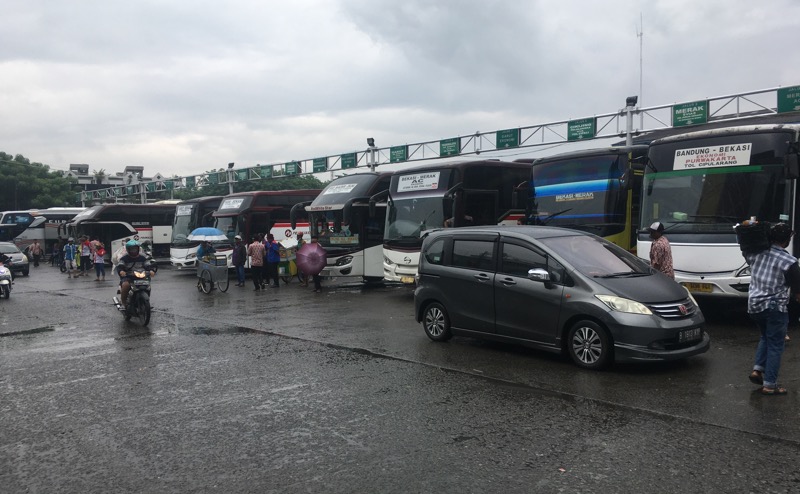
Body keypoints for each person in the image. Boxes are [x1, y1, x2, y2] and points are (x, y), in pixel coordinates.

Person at [746, 223, 800, 395]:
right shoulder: (789, 261)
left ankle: (757, 370)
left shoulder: (755, 253)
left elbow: (745, 249)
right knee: (776, 344)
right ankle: (770, 385)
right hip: (775, 308)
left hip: (754, 306)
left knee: (766, 337)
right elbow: (797, 288)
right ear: (786, 240)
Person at [115, 240, 156, 308]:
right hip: (128, 277)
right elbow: (120, 266)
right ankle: (123, 303)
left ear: (138, 249)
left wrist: (151, 270)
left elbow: (148, 265)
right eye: (131, 249)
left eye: (135, 249)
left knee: (148, 285)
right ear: (128, 250)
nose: (133, 251)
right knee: (126, 285)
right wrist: (121, 271)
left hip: (141, 276)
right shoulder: (124, 258)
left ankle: (146, 301)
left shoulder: (143, 258)